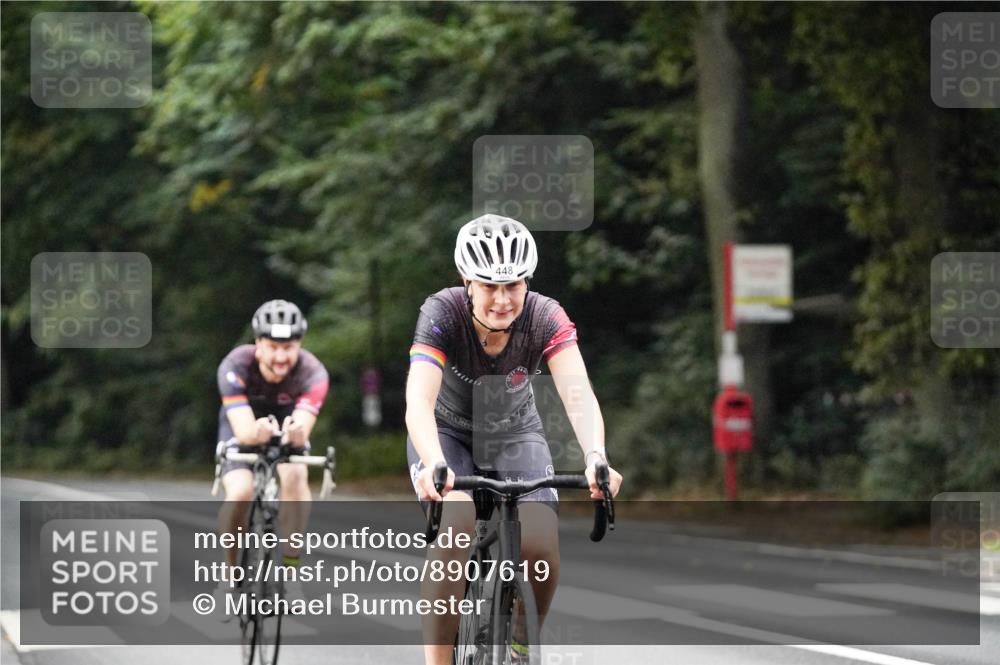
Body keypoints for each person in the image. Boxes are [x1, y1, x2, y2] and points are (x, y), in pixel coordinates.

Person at [405, 214, 623, 665]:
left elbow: (578, 394)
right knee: (456, 526)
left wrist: (596, 456)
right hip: (447, 435)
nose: (503, 300)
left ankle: (523, 643)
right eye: (489, 286)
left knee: (541, 541)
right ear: (467, 280)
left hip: (516, 434)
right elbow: (418, 400)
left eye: (514, 285)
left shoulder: (546, 316)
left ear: (527, 282)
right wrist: (432, 462)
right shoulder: (441, 312)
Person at [214, 299, 329, 608]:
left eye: (288, 347)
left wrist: (295, 435)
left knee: (295, 475)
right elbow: (244, 430)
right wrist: (256, 433)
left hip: (286, 425)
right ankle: (230, 575)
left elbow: (303, 427)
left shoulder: (313, 372)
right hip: (243, 426)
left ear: (299, 345)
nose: (280, 356)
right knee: (241, 492)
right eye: (273, 347)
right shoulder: (235, 366)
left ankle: (291, 571)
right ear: (258, 344)